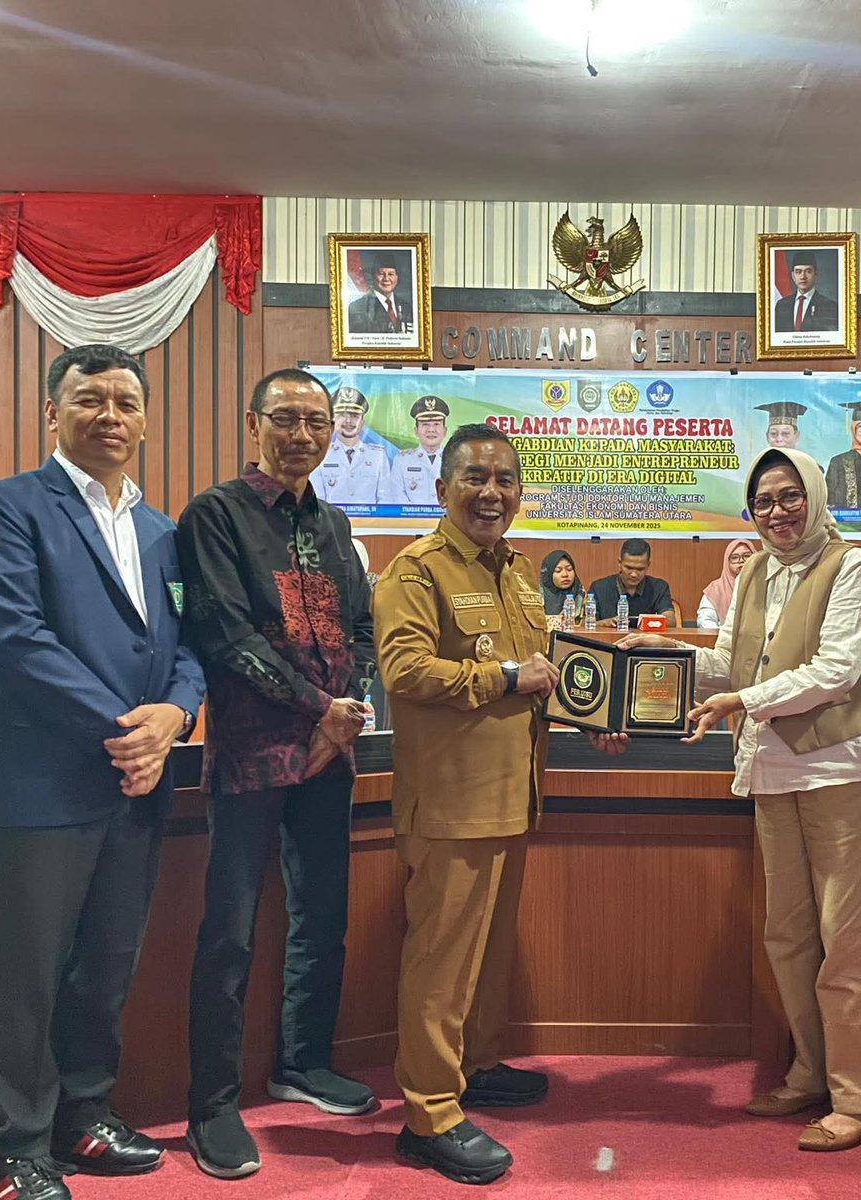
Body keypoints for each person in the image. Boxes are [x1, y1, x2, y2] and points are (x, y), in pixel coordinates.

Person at [0, 345, 206, 1200]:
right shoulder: (6, 507)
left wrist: (175, 716)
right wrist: (130, 732)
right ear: (51, 412)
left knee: (106, 963)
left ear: (145, 420)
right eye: (89, 399)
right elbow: (16, 642)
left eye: (126, 402)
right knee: (24, 974)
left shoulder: (162, 530)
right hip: (41, 791)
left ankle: (83, 1114)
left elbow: (187, 647)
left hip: (134, 791)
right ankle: (17, 1148)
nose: (110, 415)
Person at [617, 446, 861, 1151]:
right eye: (764, 501)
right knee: (789, 936)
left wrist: (742, 699)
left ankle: (860, 1095)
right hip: (773, 773)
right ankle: (810, 1071)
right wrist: (664, 657)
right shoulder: (754, 574)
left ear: (815, 495)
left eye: (789, 496)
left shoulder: (853, 566)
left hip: (844, 773)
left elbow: (835, 671)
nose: (777, 512)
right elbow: (732, 663)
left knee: (849, 942)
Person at [176, 368, 379, 1178]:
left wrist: (345, 711)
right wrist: (319, 710)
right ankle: (212, 1103)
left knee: (321, 917)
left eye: (316, 421)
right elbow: (225, 636)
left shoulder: (334, 524)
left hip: (330, 755)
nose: (302, 435)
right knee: (229, 932)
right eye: (285, 419)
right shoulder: (216, 515)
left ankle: (303, 1062)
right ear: (252, 422)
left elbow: (360, 630)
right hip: (252, 754)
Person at [371, 424, 558, 1186]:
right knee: (441, 964)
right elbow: (405, 670)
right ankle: (429, 1115)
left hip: (512, 796)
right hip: (450, 803)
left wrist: (591, 712)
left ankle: (475, 1066)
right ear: (441, 487)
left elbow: (543, 675)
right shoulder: (417, 571)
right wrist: (505, 677)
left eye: (505, 480)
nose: (491, 493)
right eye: (475, 478)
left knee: (486, 955)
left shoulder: (517, 572)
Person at [312, 385, 395, 507]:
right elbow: (317, 500)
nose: (348, 421)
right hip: (332, 519)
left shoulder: (378, 456)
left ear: (362, 422)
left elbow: (385, 499)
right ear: (333, 421)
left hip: (371, 519)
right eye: (342, 415)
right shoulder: (321, 454)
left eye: (354, 416)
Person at [587, 538, 675, 622]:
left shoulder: (659, 587)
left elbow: (670, 620)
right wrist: (605, 623)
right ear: (619, 563)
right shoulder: (598, 588)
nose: (634, 574)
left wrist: (645, 622)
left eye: (640, 569)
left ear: (648, 565)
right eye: (629, 568)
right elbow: (586, 624)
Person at [390, 395, 450, 504]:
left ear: (445, 431)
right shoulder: (402, 460)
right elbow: (398, 496)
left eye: (436, 424)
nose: (431, 430)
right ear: (416, 431)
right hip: (410, 515)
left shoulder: (454, 459)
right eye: (425, 424)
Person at [772, 250, 839, 334]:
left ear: (816, 274)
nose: (803, 277)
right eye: (798, 272)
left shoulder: (829, 306)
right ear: (793, 276)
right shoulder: (781, 305)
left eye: (808, 271)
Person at [347, 252, 413, 335]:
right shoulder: (358, 307)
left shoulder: (406, 307)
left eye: (391, 274)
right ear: (373, 276)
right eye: (381, 274)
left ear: (397, 277)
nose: (386, 279)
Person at [696, 539, 756, 629]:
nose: (741, 561)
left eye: (747, 556)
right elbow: (705, 620)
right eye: (734, 557)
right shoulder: (715, 589)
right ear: (727, 562)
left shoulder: (765, 584)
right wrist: (725, 634)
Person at [539, 549, 585, 621]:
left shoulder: (582, 596)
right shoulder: (536, 598)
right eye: (558, 571)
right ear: (548, 575)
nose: (565, 574)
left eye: (569, 569)